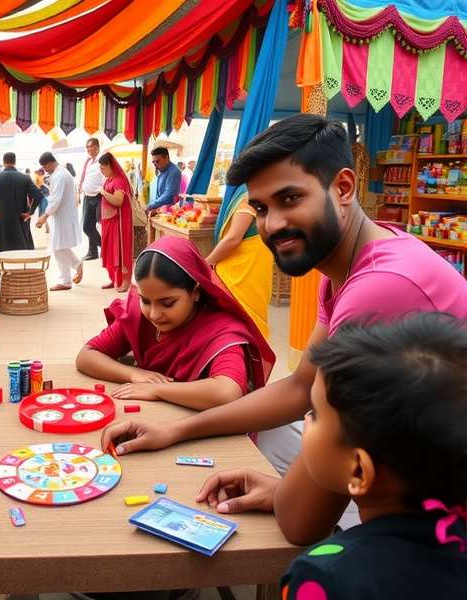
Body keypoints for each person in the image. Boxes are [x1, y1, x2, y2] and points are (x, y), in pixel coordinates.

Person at [100, 114, 467, 545]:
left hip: (443, 523)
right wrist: (172, 431)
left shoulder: (381, 288)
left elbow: (299, 526)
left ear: (344, 188)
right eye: (260, 208)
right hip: (407, 469)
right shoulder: (350, 265)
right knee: (273, 429)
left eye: (290, 198)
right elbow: (300, 386)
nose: (271, 225)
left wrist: (287, 497)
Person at [201, 313, 467, 599]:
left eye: (315, 414)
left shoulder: (327, 576)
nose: (305, 419)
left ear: (359, 471)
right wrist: (279, 491)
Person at [77, 237, 274, 409]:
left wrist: (159, 390)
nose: (154, 314)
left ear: (196, 292)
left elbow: (227, 391)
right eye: (145, 300)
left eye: (167, 303)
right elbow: (87, 356)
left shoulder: (221, 331)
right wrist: (133, 375)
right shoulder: (136, 316)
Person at [205, 185, 273, 337]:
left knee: (242, 327)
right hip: (244, 269)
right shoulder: (255, 189)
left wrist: (206, 262)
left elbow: (233, 238)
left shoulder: (248, 195)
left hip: (242, 274)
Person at [36, 152, 83, 291]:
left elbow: (56, 199)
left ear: (50, 163)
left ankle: (65, 281)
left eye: (45, 167)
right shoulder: (59, 173)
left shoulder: (60, 175)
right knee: (59, 246)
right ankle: (76, 265)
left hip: (63, 216)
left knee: (58, 247)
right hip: (62, 215)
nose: (45, 170)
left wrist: (45, 216)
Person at [0, 152, 44, 252]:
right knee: (22, 252)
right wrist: (30, 212)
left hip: (4, 222)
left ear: (4, 162)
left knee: (4, 254)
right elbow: (38, 195)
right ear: (15, 162)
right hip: (21, 220)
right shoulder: (24, 178)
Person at [97, 152, 134, 292]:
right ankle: (114, 279)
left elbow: (118, 201)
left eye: (103, 168)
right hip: (109, 221)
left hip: (119, 222)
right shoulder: (109, 179)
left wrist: (103, 193)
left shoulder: (119, 180)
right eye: (100, 168)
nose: (102, 171)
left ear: (111, 166)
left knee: (120, 250)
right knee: (110, 250)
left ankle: (125, 281)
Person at [78, 137, 103, 260]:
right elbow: (83, 177)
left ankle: (105, 248)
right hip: (87, 196)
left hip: (98, 197)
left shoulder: (102, 160)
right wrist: (79, 191)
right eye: (87, 147)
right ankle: (92, 252)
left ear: (97, 147)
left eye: (91, 147)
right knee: (88, 225)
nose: (89, 149)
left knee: (88, 227)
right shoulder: (88, 161)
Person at [146, 147, 181, 212]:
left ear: (167, 158)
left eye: (158, 161)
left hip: (169, 213)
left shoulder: (174, 172)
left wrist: (151, 205)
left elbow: (168, 195)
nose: (155, 164)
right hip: (160, 210)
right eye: (153, 162)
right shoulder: (162, 171)